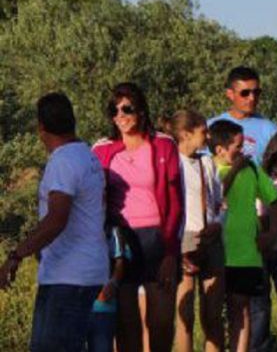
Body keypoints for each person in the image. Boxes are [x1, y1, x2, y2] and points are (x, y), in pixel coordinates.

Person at [0, 93, 109, 352]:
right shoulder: (87, 155)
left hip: (69, 275)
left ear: (41, 128)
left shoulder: (63, 161)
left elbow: (57, 219)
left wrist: (17, 254)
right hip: (85, 270)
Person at [92, 82, 182, 352]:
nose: (120, 115)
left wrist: (170, 252)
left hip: (157, 236)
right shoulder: (101, 150)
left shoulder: (164, 145)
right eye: (114, 110)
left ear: (141, 110)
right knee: (126, 321)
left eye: (127, 108)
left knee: (161, 320)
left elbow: (176, 202)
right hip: (121, 240)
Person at [210, 66, 277, 352]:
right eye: (245, 92)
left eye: (257, 92)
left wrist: (272, 231)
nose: (252, 98)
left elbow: (274, 185)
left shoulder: (269, 128)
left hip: (254, 228)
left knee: (255, 305)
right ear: (230, 93)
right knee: (215, 307)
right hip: (218, 236)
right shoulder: (213, 127)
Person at [169, 109, 226, 352]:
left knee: (213, 315)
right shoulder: (171, 163)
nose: (208, 137)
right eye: (203, 131)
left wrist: (219, 222)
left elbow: (221, 201)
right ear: (185, 134)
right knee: (185, 316)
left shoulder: (207, 162)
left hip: (210, 237)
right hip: (184, 239)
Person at [87, 224, 130, 352]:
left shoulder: (110, 228)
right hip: (75, 307)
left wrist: (112, 285)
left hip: (103, 307)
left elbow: (120, 260)